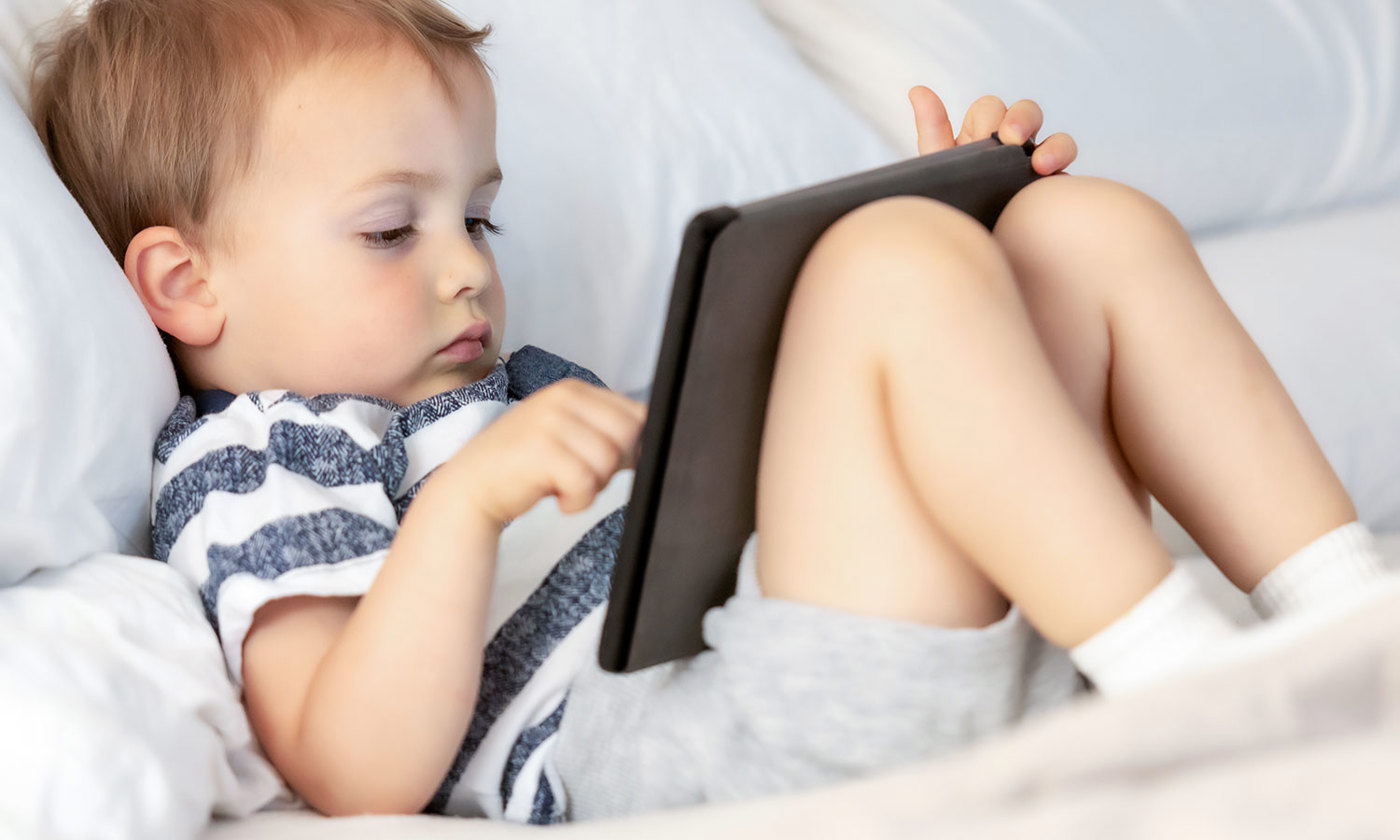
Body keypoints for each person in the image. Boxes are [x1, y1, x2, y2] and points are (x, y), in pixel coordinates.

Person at [26, 0, 1388, 826]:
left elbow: (757, 484)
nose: (466, 264)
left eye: (478, 215)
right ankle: (1205, 686)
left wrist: (944, 240)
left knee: (1073, 226)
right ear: (184, 283)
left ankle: (1342, 609)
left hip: (822, 638)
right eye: (393, 228)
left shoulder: (513, 385)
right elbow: (351, 764)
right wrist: (467, 504)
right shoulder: (254, 460)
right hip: (692, 742)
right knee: (889, 271)